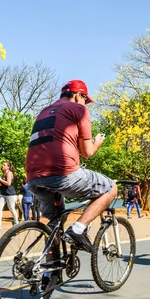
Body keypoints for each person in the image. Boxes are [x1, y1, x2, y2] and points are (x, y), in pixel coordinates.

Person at [25, 79, 116, 254]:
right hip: (62, 173)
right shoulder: (79, 109)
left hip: (33, 176)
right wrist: (97, 142)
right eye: (85, 99)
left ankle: (48, 275)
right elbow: (87, 152)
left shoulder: (44, 112)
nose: (85, 104)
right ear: (77, 95)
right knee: (111, 188)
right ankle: (78, 230)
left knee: (53, 227)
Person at [0, 161, 19, 230]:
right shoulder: (3, 173)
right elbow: (4, 184)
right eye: (2, 165)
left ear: (8, 167)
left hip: (10, 194)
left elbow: (8, 183)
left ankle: (16, 222)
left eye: (4, 165)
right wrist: (0, 184)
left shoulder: (9, 173)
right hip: (3, 194)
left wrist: (0, 180)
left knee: (11, 208)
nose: (2, 166)